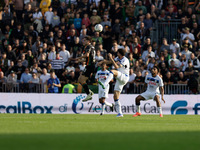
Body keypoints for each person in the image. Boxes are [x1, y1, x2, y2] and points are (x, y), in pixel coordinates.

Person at [98, 49, 130, 117]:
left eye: (118, 52)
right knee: (115, 96)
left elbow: (117, 66)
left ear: (120, 53)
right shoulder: (117, 58)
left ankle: (105, 83)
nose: (117, 53)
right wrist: (102, 62)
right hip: (119, 78)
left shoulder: (125, 60)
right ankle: (120, 113)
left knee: (112, 71)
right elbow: (110, 62)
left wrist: (111, 58)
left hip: (124, 76)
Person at [75, 36, 96, 101]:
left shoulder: (88, 47)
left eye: (84, 40)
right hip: (89, 65)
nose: (83, 41)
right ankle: (89, 92)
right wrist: (79, 61)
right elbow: (88, 58)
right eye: (83, 40)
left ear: (88, 41)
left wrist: (79, 58)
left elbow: (86, 55)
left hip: (90, 66)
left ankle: (89, 94)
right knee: (80, 79)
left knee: (81, 80)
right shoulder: (91, 47)